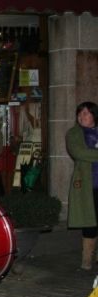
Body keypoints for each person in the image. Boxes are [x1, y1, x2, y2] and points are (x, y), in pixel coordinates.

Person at [66, 101, 98, 270]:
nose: (82, 116)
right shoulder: (74, 134)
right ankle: (87, 260)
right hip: (87, 183)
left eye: (86, 113)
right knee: (89, 222)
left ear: (94, 115)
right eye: (80, 113)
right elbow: (79, 153)